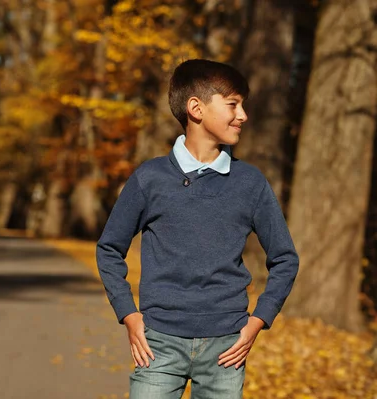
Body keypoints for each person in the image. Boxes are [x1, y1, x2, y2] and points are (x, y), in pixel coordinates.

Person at [96, 59, 299, 399]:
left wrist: (258, 321)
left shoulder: (250, 183)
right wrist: (129, 315)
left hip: (227, 348)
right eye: (233, 104)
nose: (243, 115)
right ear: (196, 109)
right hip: (158, 342)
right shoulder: (150, 179)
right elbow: (108, 249)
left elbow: (285, 258)